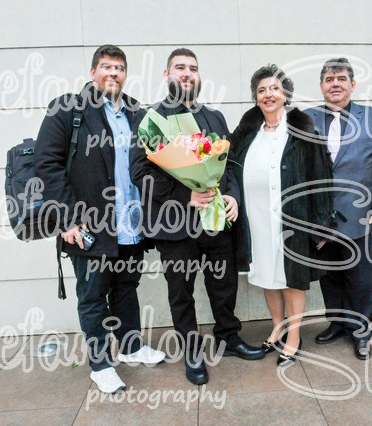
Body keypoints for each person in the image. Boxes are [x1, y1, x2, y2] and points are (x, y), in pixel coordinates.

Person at [34, 45, 166, 393]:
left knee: (126, 288)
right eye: (106, 67)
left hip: (131, 224)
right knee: (93, 296)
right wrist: (67, 219)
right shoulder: (69, 109)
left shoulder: (137, 112)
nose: (113, 73)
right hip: (88, 226)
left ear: (126, 74)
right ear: (93, 72)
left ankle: (132, 347)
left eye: (119, 68)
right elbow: (46, 165)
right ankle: (101, 364)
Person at [129, 48, 265, 386]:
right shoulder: (151, 120)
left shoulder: (214, 117)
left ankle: (228, 337)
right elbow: (140, 173)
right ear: (167, 74)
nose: (187, 73)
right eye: (180, 68)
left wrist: (232, 196)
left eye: (192, 68)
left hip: (216, 221)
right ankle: (191, 350)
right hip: (176, 225)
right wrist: (184, 197)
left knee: (224, 285)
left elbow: (229, 165)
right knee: (181, 292)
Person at [230, 64, 333, 366]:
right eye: (261, 90)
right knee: (267, 275)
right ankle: (278, 327)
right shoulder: (247, 134)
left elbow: (321, 177)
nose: (268, 94)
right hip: (257, 219)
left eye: (274, 88)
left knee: (292, 279)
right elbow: (231, 168)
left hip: (293, 219)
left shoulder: (303, 131)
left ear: (285, 94)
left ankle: (294, 336)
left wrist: (322, 223)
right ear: (255, 97)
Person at [305, 58, 372, 360]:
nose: (335, 84)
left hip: (360, 217)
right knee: (329, 276)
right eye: (329, 79)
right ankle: (337, 323)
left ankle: (360, 332)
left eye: (341, 78)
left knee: (360, 279)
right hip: (322, 220)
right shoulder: (305, 119)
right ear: (321, 86)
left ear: (352, 84)